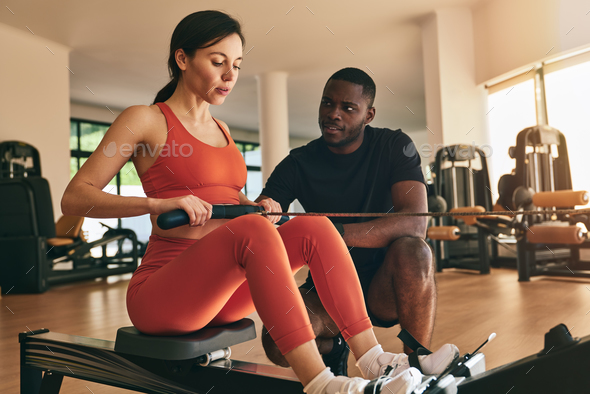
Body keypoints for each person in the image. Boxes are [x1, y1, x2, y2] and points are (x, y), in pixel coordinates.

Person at [61, 12, 455, 394]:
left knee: (312, 226)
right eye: (217, 62)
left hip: (224, 296)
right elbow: (75, 198)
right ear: (182, 58)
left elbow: (227, 201)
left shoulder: (223, 130)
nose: (230, 75)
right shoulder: (144, 119)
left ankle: (374, 361)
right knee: (251, 231)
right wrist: (158, 205)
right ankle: (320, 383)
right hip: (164, 294)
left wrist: (256, 207)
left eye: (235, 64)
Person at [257, 68, 448, 376]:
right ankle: (336, 347)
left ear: (368, 115)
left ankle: (416, 365)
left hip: (384, 286)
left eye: (348, 108)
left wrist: (333, 234)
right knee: (276, 342)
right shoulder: (297, 163)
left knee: (415, 250)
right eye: (327, 103)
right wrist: (265, 210)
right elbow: (263, 217)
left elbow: (416, 223)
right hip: (327, 289)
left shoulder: (394, 146)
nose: (334, 114)